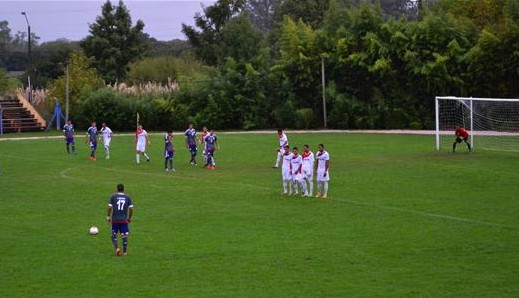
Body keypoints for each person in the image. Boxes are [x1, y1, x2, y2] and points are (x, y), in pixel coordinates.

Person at [106, 183, 133, 256]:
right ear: (123, 189)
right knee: (124, 235)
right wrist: (129, 218)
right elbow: (131, 209)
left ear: (117, 189)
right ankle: (124, 252)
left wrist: (108, 217)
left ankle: (117, 248)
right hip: (124, 220)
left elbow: (109, 208)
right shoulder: (127, 197)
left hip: (115, 219)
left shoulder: (113, 196)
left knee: (113, 235)